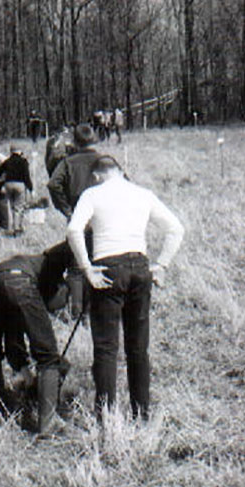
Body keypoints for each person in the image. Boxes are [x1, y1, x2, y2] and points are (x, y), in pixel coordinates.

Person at [67, 155, 184, 421]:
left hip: (108, 268)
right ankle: (141, 414)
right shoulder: (143, 194)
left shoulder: (92, 194)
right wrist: (162, 265)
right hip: (140, 266)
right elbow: (176, 229)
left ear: (97, 175)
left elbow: (74, 230)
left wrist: (86, 268)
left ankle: (106, 416)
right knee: (138, 348)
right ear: (121, 171)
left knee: (107, 348)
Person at [0, 242, 73, 434]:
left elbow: (14, 341)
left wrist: (28, 378)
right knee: (48, 357)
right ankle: (48, 426)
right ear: (58, 288)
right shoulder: (47, 275)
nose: (53, 312)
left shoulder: (34, 264)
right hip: (19, 283)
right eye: (56, 308)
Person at [47, 123, 100, 317]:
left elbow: (53, 184)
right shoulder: (105, 161)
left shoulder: (68, 162)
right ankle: (95, 311)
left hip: (77, 219)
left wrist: (66, 209)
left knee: (77, 266)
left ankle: (78, 313)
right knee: (100, 262)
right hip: (102, 221)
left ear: (75, 142)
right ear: (94, 139)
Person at [0, 142, 33, 234]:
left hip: (8, 185)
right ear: (20, 151)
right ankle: (17, 228)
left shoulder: (6, 161)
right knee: (18, 207)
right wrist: (31, 188)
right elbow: (26, 176)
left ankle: (9, 226)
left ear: (11, 151)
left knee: (11, 206)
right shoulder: (24, 161)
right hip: (20, 185)